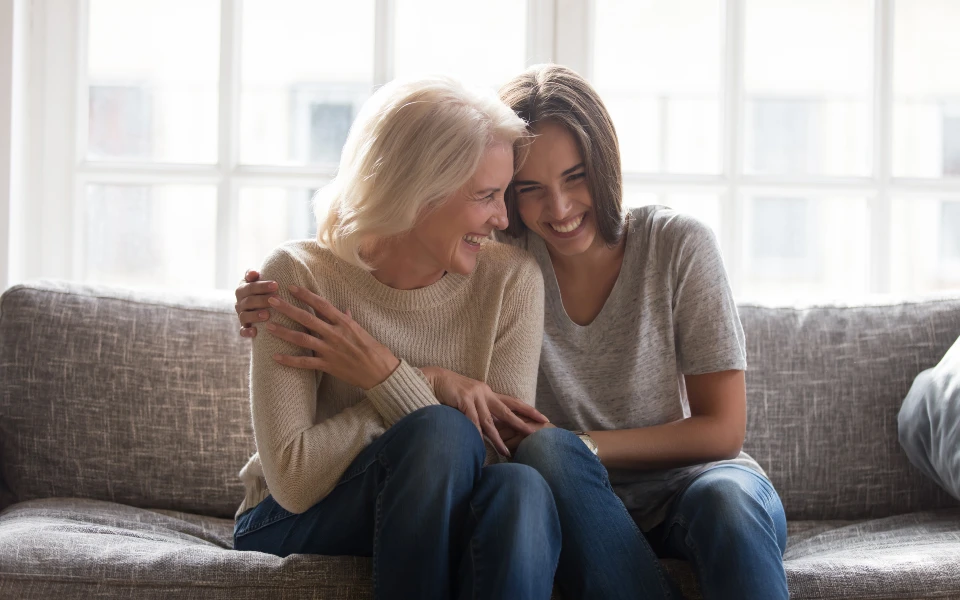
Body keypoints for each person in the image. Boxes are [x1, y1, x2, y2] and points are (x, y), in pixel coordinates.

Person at [235, 65, 787, 600]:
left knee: (555, 475)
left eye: (576, 176)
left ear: (605, 163)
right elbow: (387, 239)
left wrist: (575, 449)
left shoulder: (641, 250)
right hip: (489, 489)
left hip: (663, 484)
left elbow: (720, 430)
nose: (558, 207)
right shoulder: (494, 257)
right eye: (523, 189)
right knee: (505, 457)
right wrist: (408, 381)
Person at [231, 75, 561, 600]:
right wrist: (423, 384)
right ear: (419, 192)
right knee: (442, 434)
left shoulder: (512, 281)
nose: (502, 218)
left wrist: (388, 378)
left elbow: (499, 456)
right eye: (486, 196)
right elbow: (293, 481)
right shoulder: (301, 277)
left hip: (438, 502)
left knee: (522, 488)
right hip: (294, 516)